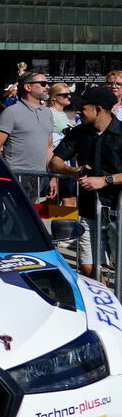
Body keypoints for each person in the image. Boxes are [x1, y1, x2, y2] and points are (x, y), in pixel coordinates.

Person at [48, 86, 122, 277]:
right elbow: (54, 162)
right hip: (89, 211)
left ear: (98, 109)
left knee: (120, 268)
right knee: (89, 267)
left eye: (83, 107)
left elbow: (105, 180)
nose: (78, 110)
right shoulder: (79, 132)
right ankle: (103, 305)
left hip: (118, 211)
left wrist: (106, 180)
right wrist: (73, 170)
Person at [0, 71, 56, 200]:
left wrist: (53, 177)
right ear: (28, 87)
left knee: (28, 217)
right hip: (17, 174)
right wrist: (3, 174)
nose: (47, 87)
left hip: (40, 176)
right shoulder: (11, 112)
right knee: (13, 217)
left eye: (47, 84)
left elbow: (49, 148)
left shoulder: (48, 113)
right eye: (43, 83)